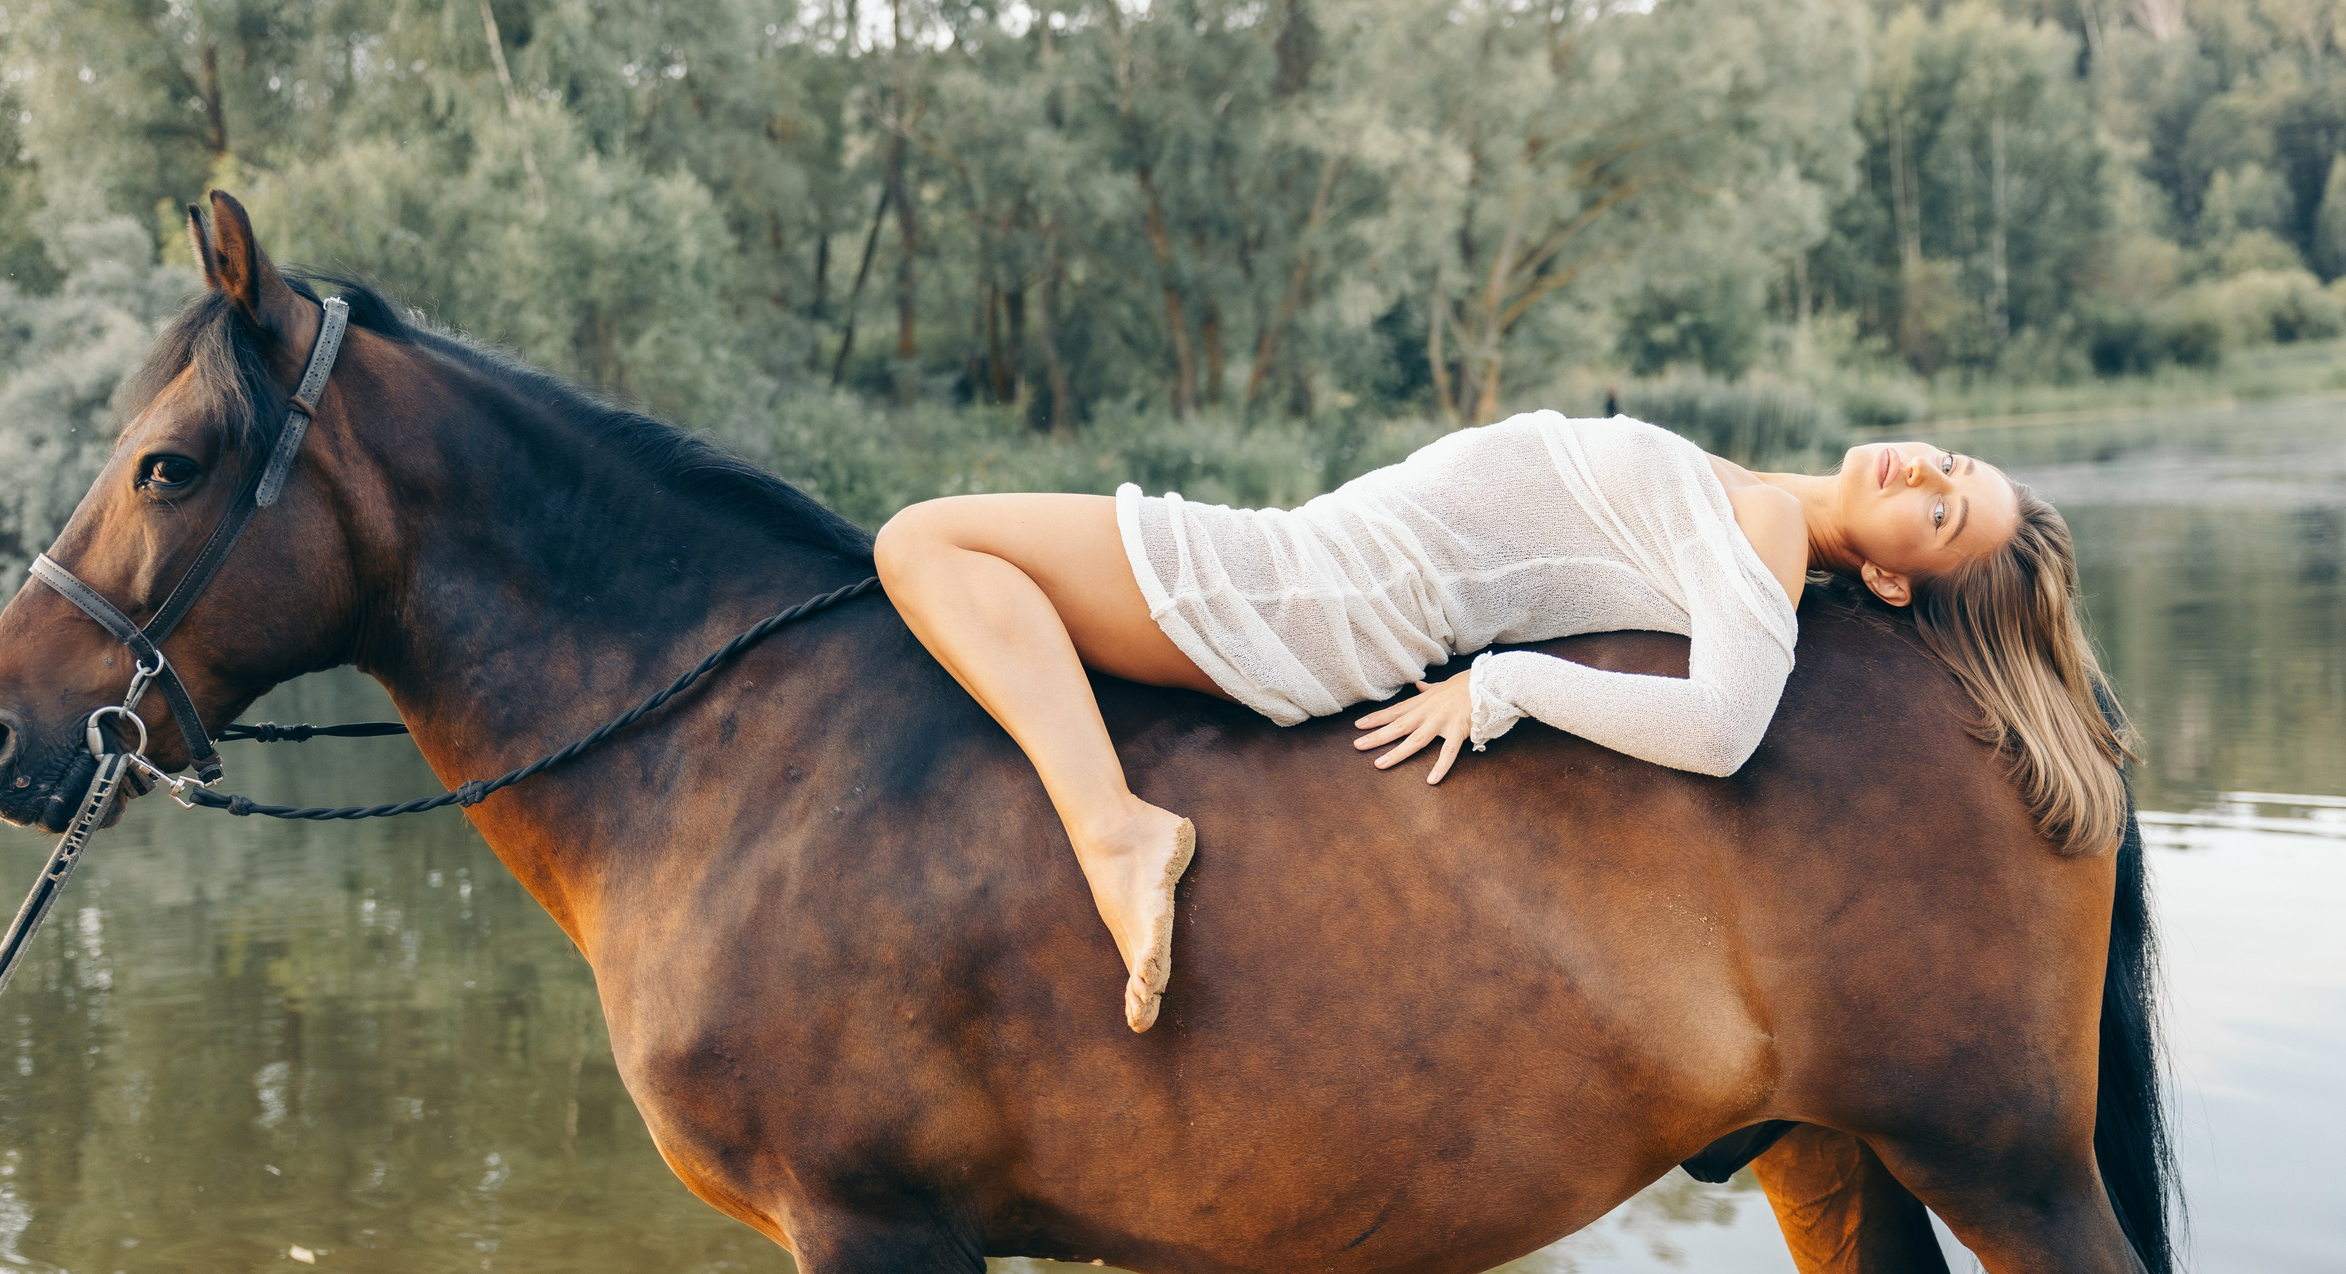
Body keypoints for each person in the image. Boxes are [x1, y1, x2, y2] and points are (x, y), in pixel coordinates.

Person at [874, 409, 2129, 1031]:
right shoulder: (1755, 502)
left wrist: (1505, 688)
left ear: (1900, 581)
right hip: (1321, 566)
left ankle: (1112, 831)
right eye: (1954, 468)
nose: (1926, 474)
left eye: (1944, 515)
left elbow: (1727, 728)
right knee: (943, 547)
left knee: (922, 538)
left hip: (1316, 592)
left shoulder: (1771, 534)